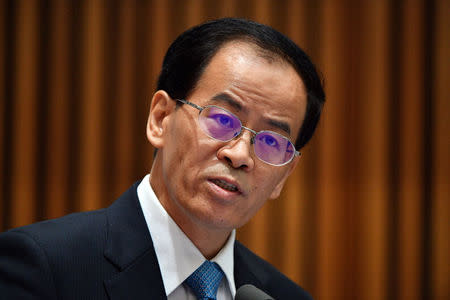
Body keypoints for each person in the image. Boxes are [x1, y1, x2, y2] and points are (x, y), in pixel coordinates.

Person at [0, 18, 325, 299]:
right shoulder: (44, 267)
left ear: (284, 175)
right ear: (160, 118)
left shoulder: (283, 296)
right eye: (222, 120)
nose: (239, 155)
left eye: (270, 141)